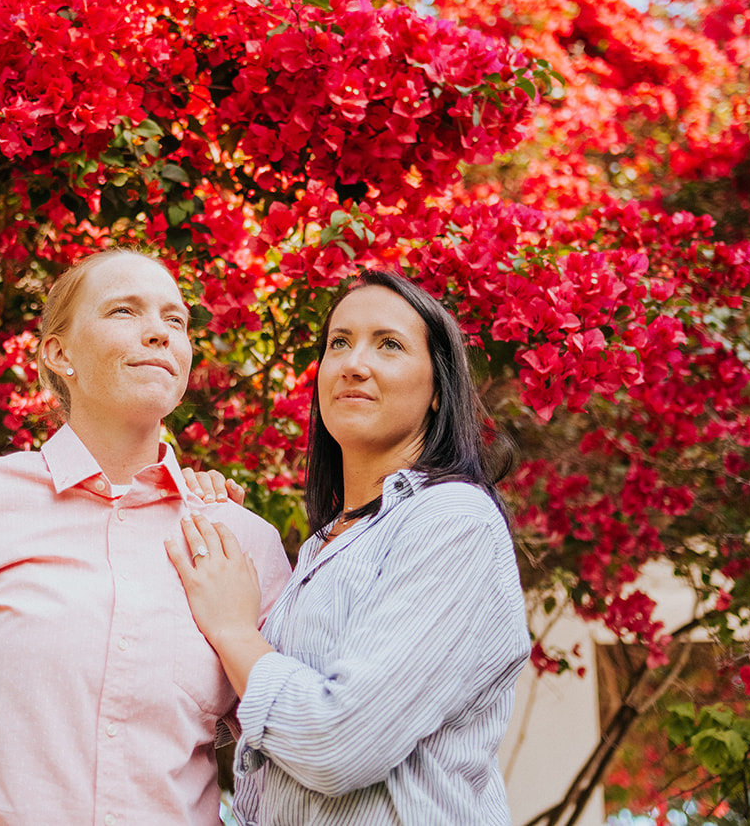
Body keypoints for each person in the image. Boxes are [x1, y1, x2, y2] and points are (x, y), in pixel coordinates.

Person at [0, 249, 292, 826]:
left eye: (176, 321)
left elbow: (292, 754)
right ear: (58, 354)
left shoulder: (243, 541)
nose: (160, 335)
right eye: (124, 311)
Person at [166, 269, 527, 826]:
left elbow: (339, 742)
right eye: (340, 343)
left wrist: (234, 629)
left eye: (389, 344)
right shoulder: (323, 546)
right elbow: (232, 712)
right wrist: (208, 524)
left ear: (437, 392)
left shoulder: (454, 519)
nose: (354, 363)